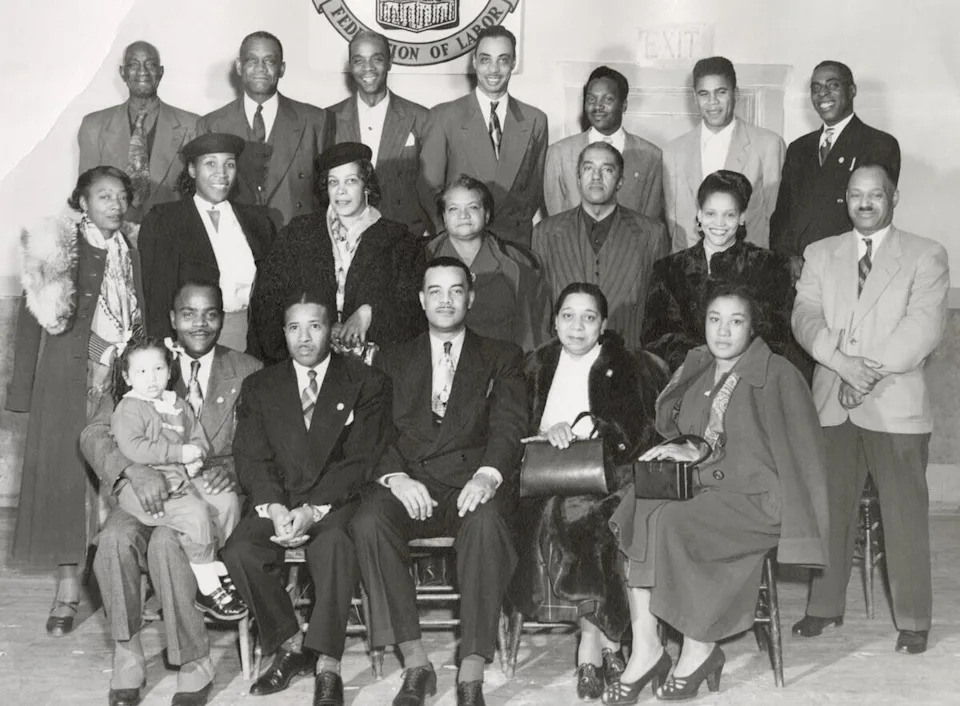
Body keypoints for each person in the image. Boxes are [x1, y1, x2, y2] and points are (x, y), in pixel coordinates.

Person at [605, 280, 828, 703]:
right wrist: (680, 449)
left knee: (671, 522)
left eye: (736, 321)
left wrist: (806, 530)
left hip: (756, 501)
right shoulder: (700, 367)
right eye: (714, 320)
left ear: (752, 329)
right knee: (635, 506)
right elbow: (693, 433)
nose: (723, 331)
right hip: (704, 488)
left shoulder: (779, 374)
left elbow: (805, 455)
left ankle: (699, 646)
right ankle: (647, 645)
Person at [348, 257, 526, 706]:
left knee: (487, 524)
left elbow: (509, 426)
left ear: (470, 297)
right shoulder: (391, 357)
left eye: (455, 291)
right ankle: (416, 662)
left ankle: (471, 669)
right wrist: (396, 478)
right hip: (411, 479)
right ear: (421, 299)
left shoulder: (501, 355)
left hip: (469, 483)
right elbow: (373, 431)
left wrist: (488, 475)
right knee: (369, 521)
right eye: (436, 291)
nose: (446, 301)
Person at [790, 163, 949, 655]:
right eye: (856, 195)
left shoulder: (927, 254)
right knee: (828, 510)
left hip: (894, 403)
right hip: (832, 400)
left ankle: (915, 619)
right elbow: (804, 316)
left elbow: (922, 328)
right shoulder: (820, 253)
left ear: (893, 198)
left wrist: (865, 373)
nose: (865, 203)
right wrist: (841, 363)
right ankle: (823, 607)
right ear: (846, 199)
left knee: (903, 514)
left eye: (875, 195)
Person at [82, 281, 262, 706]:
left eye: (211, 314)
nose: (199, 324)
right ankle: (128, 654)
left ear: (224, 316)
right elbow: (93, 433)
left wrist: (233, 473)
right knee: (112, 540)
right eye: (188, 314)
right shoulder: (139, 364)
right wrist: (131, 470)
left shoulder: (250, 370)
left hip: (201, 495)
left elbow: (263, 442)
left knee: (167, 545)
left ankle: (193, 659)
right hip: (141, 490)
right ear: (172, 317)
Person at [222, 287, 391, 705]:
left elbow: (362, 458)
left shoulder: (365, 380)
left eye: (314, 326)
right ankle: (293, 644)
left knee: (334, 545)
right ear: (283, 332)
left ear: (331, 329)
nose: (304, 337)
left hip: (335, 499)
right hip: (279, 499)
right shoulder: (261, 385)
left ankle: (329, 664)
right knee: (240, 550)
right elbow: (251, 455)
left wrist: (314, 510)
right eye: (294, 328)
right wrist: (277, 507)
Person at [509, 283, 667, 701]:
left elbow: (639, 432)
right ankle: (610, 643)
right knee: (570, 511)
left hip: (612, 477)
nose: (577, 327)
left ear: (604, 325)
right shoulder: (535, 365)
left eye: (589, 317)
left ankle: (589, 649)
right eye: (568, 316)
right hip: (546, 482)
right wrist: (545, 431)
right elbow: (509, 426)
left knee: (589, 514)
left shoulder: (626, 364)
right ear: (554, 320)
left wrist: (592, 431)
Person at [6, 166, 144, 637]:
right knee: (68, 484)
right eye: (103, 196)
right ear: (82, 202)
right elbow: (33, 322)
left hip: (122, 382)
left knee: (112, 477)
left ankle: (109, 576)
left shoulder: (132, 248)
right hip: (68, 379)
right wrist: (22, 393)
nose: (115, 204)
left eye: (121, 196)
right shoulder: (56, 244)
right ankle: (67, 590)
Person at [109, 336, 248, 622]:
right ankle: (207, 587)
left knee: (225, 500)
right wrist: (178, 452)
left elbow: (197, 436)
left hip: (180, 475)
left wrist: (197, 455)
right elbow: (133, 447)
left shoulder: (177, 404)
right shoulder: (129, 408)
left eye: (158, 369)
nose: (151, 379)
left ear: (169, 370)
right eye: (141, 372)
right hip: (144, 486)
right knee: (195, 513)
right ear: (126, 376)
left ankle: (218, 561)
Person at [249, 141, 426, 364]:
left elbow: (414, 308)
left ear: (367, 185)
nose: (341, 190)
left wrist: (371, 313)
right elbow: (267, 300)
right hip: (302, 365)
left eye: (351, 181)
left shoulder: (400, 241)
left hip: (373, 370)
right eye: (333, 182)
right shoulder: (297, 235)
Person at [642, 170, 799, 373]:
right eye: (711, 214)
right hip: (686, 380)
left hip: (748, 382)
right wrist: (702, 364)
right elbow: (655, 337)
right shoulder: (668, 269)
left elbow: (777, 337)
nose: (719, 223)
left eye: (729, 215)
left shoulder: (770, 266)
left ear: (742, 217)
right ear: (699, 215)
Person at [139, 132, 276, 351]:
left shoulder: (258, 222)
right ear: (192, 170)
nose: (221, 173)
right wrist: (164, 347)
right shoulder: (164, 220)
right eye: (210, 164)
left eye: (229, 164)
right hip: (192, 339)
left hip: (252, 336)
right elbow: (157, 295)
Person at [418, 25, 548, 247]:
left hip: (513, 247)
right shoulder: (444, 116)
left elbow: (533, 192)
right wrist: (451, 235)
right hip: (459, 244)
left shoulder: (535, 120)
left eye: (503, 60)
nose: (494, 69)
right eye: (486, 60)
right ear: (474, 62)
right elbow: (429, 187)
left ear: (513, 63)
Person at [533, 142, 668, 352]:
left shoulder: (651, 234)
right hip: (564, 360)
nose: (596, 176)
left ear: (620, 181)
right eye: (588, 168)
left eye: (607, 169)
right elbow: (540, 310)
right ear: (578, 179)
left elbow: (659, 312)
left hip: (627, 362)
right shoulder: (546, 233)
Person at [196, 31, 334, 225]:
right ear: (239, 66)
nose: (260, 68)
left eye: (269, 61)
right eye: (252, 60)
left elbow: (328, 194)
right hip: (235, 242)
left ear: (282, 68)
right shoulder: (211, 125)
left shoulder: (315, 121)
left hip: (298, 242)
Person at [771, 60, 901, 261]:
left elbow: (872, 216)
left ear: (852, 90)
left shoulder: (880, 145)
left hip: (846, 266)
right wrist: (786, 259)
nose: (823, 93)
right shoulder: (798, 148)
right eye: (816, 87)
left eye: (833, 85)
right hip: (795, 273)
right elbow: (782, 215)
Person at [663, 56, 785, 252]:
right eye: (704, 94)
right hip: (690, 272)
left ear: (735, 93)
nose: (712, 102)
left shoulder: (768, 145)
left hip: (748, 270)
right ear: (695, 98)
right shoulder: (673, 152)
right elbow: (673, 225)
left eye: (721, 92)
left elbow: (776, 220)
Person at [427, 174, 551, 351]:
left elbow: (534, 332)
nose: (464, 215)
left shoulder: (520, 262)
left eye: (473, 207)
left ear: (486, 214)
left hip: (502, 366)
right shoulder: (421, 259)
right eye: (454, 209)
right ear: (444, 217)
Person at [78, 41, 198, 222]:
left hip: (173, 236)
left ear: (161, 72)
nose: (142, 71)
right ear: (122, 73)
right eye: (133, 65)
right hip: (114, 239)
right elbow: (87, 194)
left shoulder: (192, 125)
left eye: (150, 64)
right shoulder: (93, 126)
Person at [329, 30, 431, 237]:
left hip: (405, 236)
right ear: (350, 66)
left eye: (377, 59)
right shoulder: (328, 119)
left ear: (390, 62)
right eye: (359, 61)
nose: (368, 68)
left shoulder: (420, 117)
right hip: (347, 237)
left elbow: (432, 185)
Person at [544, 65, 663, 221]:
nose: (598, 106)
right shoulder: (559, 153)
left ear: (624, 105)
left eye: (607, 99)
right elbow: (555, 221)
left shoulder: (651, 156)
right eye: (591, 99)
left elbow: (649, 224)